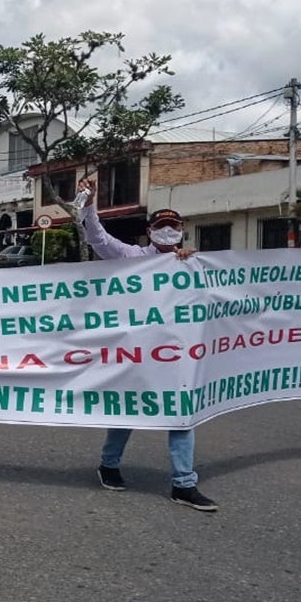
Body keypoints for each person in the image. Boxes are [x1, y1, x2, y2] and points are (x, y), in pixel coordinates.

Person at [75, 177, 217, 511]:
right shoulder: (131, 257)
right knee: (127, 409)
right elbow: (97, 237)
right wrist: (91, 203)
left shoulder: (193, 263)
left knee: (182, 413)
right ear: (150, 230)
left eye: (174, 226)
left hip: (178, 353)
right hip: (137, 351)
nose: (168, 231)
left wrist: (194, 264)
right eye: (162, 226)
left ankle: (184, 484)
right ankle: (109, 465)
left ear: (182, 230)